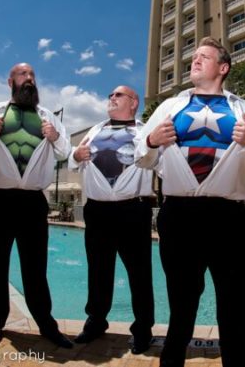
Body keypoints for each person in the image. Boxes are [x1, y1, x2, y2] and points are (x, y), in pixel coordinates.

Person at [135, 37, 245, 367]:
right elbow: (141, 156)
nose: (194, 61)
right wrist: (153, 140)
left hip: (229, 217)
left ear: (222, 68)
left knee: (236, 306)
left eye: (204, 57)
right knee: (181, 305)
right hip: (179, 215)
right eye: (194, 57)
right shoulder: (169, 106)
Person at [0, 63, 73, 349]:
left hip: (33, 202)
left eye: (33, 76)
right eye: (24, 76)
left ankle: (46, 324)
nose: (30, 80)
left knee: (36, 267)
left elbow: (66, 152)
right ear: (10, 81)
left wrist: (55, 136)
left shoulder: (47, 117)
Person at [68, 85, 155, 354]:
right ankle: (96, 321)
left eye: (118, 95)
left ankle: (143, 328)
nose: (111, 98)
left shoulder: (145, 131)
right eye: (110, 95)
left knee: (139, 273)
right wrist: (75, 155)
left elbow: (157, 160)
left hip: (134, 210)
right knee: (98, 270)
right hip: (97, 211)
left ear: (134, 102)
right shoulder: (95, 130)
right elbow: (74, 159)